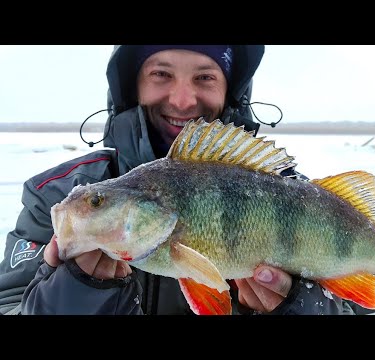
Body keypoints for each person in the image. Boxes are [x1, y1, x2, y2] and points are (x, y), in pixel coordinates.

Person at [0, 45, 351, 315]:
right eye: (161, 74)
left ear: (230, 90)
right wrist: (76, 291)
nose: (183, 100)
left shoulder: (297, 195)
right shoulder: (53, 194)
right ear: (131, 87)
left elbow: (359, 303)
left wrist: (298, 306)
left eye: (204, 77)